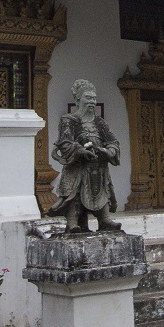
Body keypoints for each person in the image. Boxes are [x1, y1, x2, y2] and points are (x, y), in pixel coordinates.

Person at [46, 79, 122, 234]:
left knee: (101, 189)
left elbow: (112, 141)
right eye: (88, 98)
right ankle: (73, 222)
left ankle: (104, 219)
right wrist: (80, 151)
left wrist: (109, 151)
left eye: (94, 98)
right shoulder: (69, 120)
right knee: (75, 192)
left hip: (98, 165)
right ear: (78, 99)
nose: (92, 101)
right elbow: (65, 142)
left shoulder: (100, 122)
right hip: (77, 165)